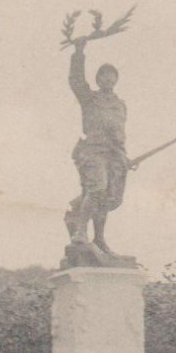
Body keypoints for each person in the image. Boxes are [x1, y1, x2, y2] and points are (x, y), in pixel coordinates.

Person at [64, 37, 129, 255]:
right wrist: (79, 52)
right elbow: (75, 80)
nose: (108, 80)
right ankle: (80, 231)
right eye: (104, 76)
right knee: (97, 188)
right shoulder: (90, 99)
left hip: (115, 155)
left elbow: (120, 134)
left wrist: (124, 158)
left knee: (108, 198)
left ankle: (99, 239)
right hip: (92, 151)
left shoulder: (120, 105)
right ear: (98, 79)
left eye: (112, 77)